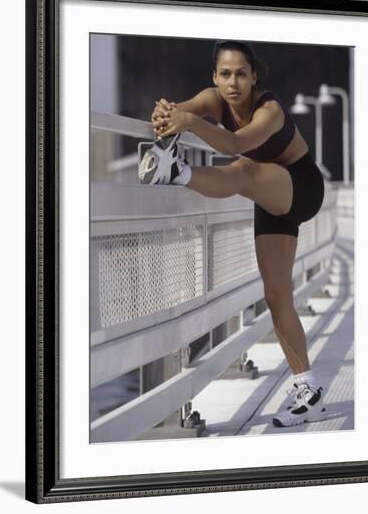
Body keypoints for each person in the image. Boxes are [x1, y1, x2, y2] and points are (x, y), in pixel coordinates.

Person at [139, 40, 326, 428]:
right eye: (225, 74)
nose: (233, 83)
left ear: (254, 76)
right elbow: (176, 112)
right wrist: (166, 113)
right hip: (269, 192)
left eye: (241, 73)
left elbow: (238, 143)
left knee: (242, 167)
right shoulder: (213, 99)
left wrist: (190, 123)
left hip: (301, 188)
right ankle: (308, 390)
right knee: (276, 295)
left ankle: (176, 172)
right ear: (215, 77)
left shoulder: (269, 110)